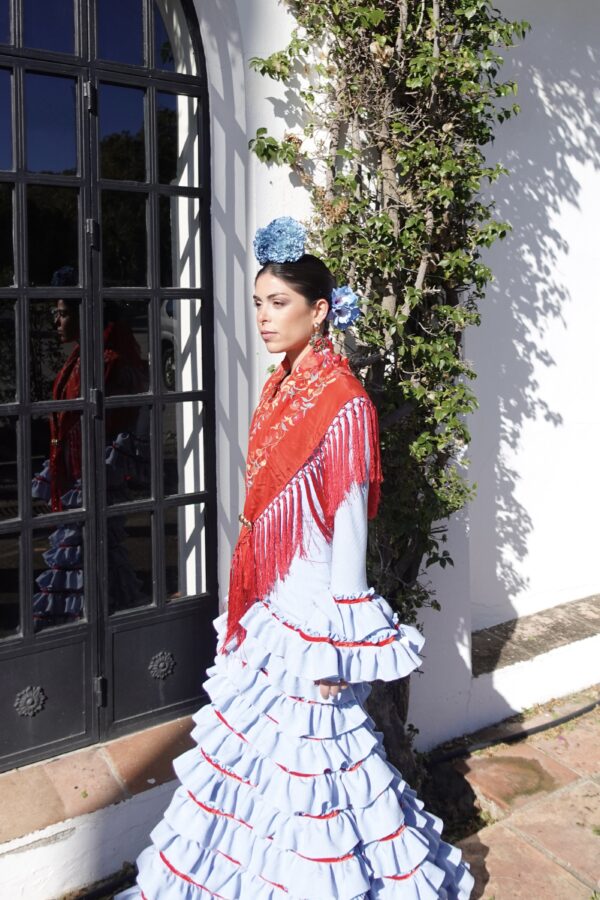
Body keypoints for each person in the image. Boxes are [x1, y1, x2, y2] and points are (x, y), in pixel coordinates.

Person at [117, 218, 473, 899]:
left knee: (318, 782)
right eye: (258, 302)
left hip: (313, 622)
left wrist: (339, 643)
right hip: (274, 607)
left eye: (278, 303)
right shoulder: (282, 387)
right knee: (255, 769)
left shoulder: (343, 405)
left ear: (320, 311)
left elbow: (348, 535)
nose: (263, 317)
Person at [32, 268, 150, 629]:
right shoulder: (84, 357)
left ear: (85, 313)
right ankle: (110, 621)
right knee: (97, 559)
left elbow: (114, 425)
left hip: (92, 478)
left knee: (81, 557)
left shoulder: (107, 361)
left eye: (64, 313)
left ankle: (82, 629)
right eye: (55, 313)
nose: (56, 321)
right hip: (77, 476)